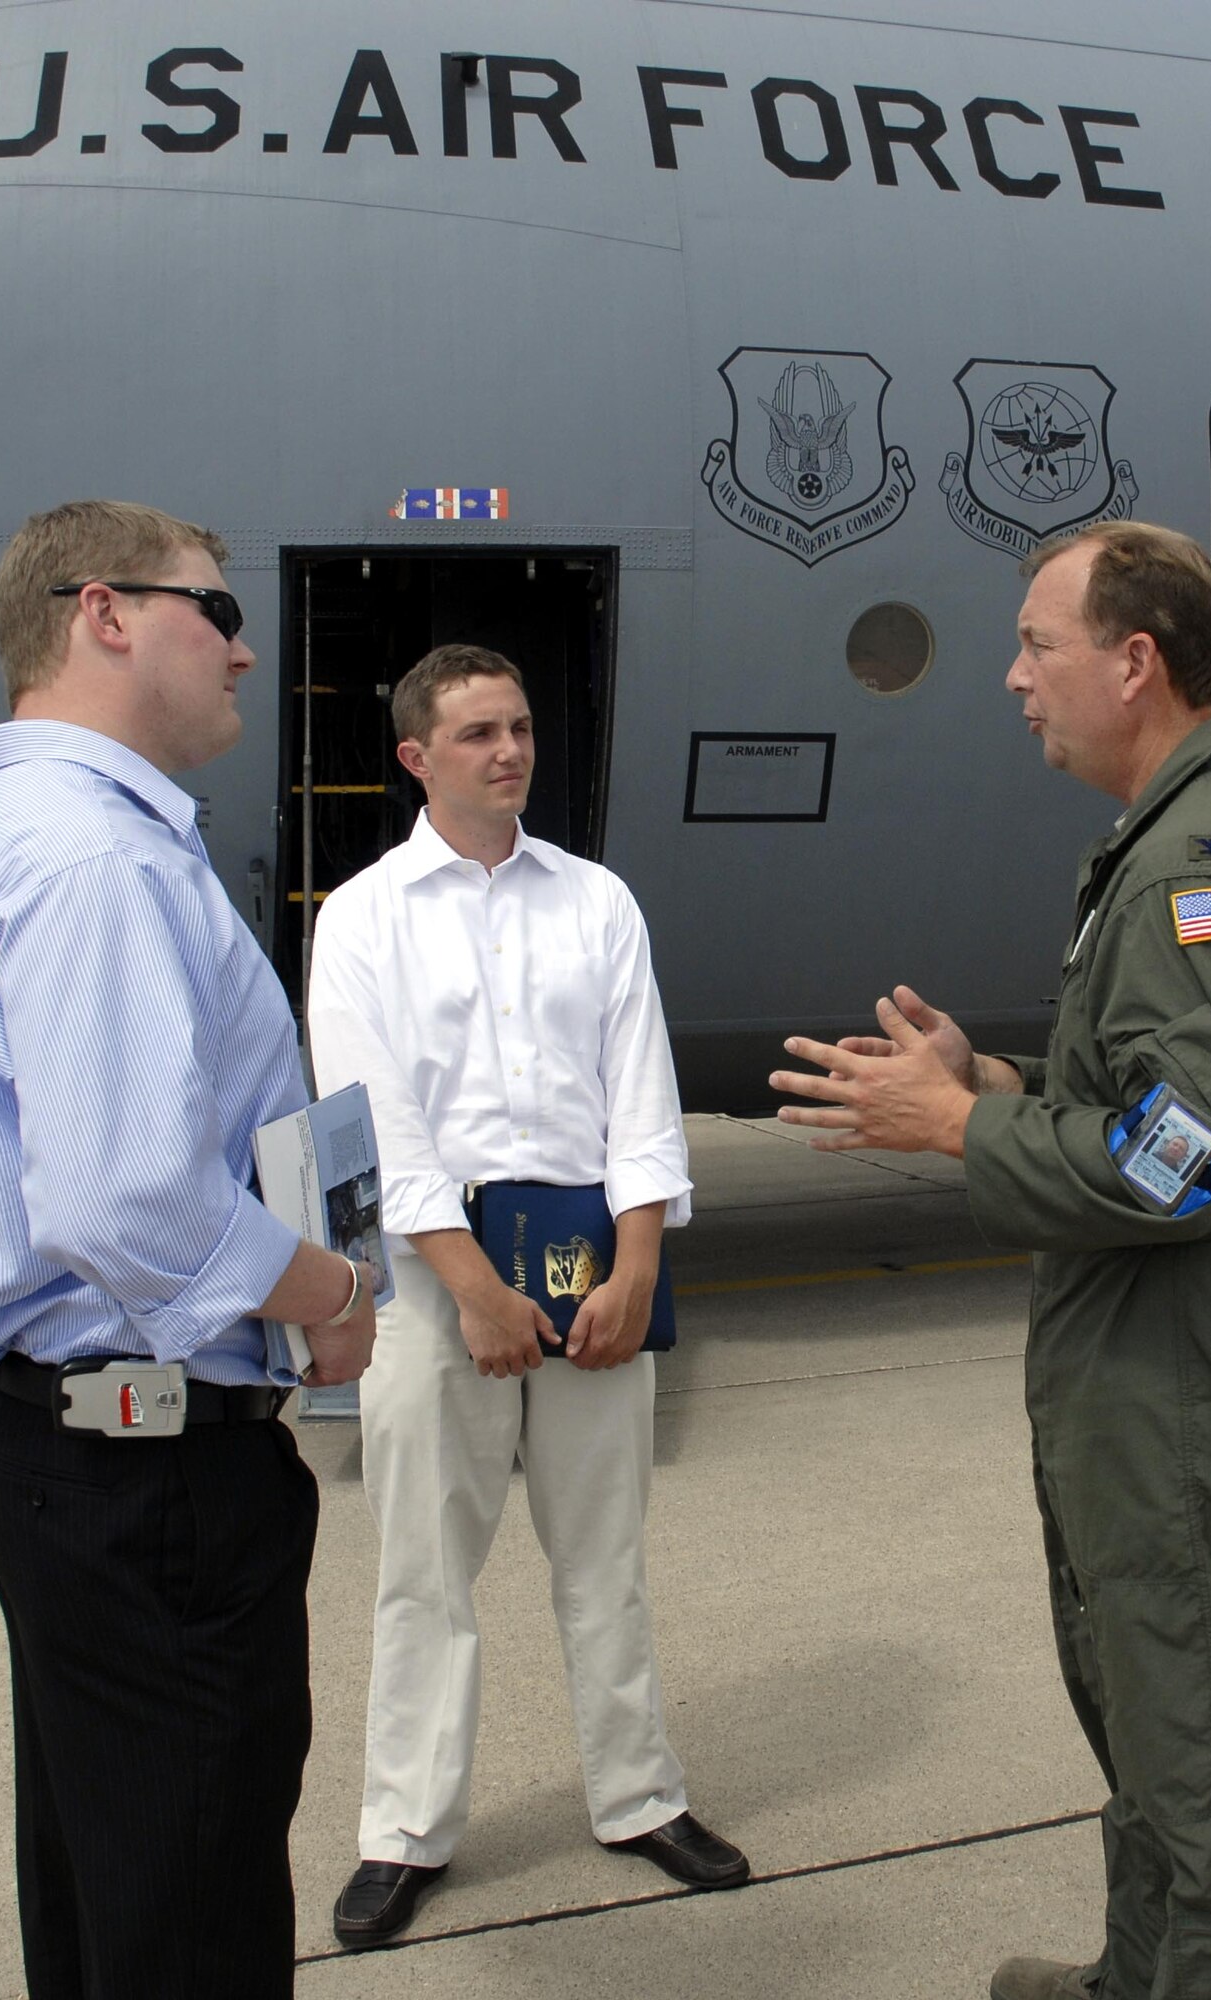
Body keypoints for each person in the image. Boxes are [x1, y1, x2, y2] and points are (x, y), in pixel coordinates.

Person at [771, 522, 1211, 2000]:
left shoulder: (1195, 868)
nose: (1012, 677)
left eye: (1038, 645)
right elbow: (1161, 1111)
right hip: (1156, 1361)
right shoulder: (1172, 833)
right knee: (1155, 1714)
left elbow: (1186, 1165)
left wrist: (959, 1137)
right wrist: (998, 1090)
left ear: (1133, 659)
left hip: (1188, 1367)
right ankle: (1139, 1975)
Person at [0, 500, 377, 2000]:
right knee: (189, 1920)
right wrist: (331, 1291)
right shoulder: (96, 863)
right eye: (216, 611)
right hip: (149, 1478)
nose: (248, 650)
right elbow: (124, 1201)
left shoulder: (36, 829)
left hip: (89, 1465)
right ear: (102, 612)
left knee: (115, 1895)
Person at [308, 643, 749, 1950]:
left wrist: (637, 1269)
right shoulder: (365, 916)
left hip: (589, 1274)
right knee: (425, 1573)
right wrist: (470, 1293)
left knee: (603, 1560)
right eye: (478, 734)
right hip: (440, 1287)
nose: (509, 752)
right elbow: (377, 1121)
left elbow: (639, 1097)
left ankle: (638, 1796)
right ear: (416, 757)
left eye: (519, 728)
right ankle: (404, 1831)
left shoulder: (595, 903)